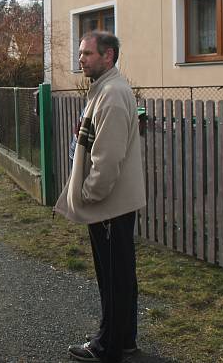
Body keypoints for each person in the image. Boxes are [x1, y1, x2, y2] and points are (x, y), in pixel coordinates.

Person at [55, 31, 146, 363]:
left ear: (108, 56)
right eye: (81, 54)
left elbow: (107, 159)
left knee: (112, 278)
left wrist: (91, 195)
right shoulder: (105, 89)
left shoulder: (111, 93)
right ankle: (124, 341)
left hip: (109, 205)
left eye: (87, 54)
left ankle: (107, 347)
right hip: (111, 204)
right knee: (119, 274)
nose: (81, 59)